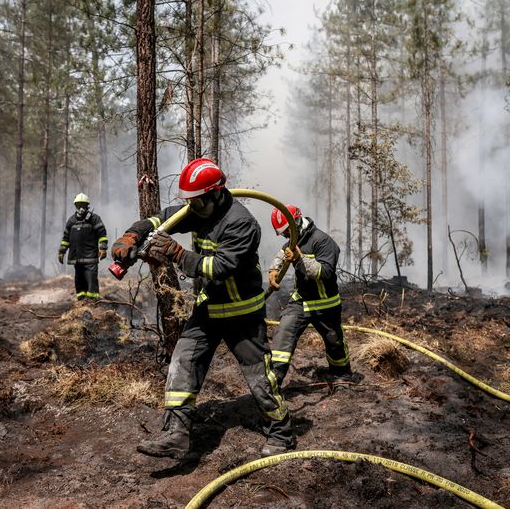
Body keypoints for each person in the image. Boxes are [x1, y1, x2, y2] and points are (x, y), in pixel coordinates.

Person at [111, 158, 295, 459]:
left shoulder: (241, 223)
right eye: (190, 202)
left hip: (241, 313)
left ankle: (281, 432)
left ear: (216, 194)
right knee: (183, 362)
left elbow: (219, 268)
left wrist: (177, 253)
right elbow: (162, 219)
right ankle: (176, 434)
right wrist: (133, 234)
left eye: (196, 202)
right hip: (209, 308)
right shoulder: (199, 209)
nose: (191, 208)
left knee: (260, 377)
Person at [268, 204, 352, 389]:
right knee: (283, 334)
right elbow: (282, 254)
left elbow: (324, 272)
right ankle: (273, 383)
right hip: (301, 302)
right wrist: (274, 270)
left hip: (325, 303)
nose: (286, 236)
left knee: (334, 342)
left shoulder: (323, 242)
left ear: (297, 222)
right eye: (283, 234)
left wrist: (300, 259)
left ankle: (342, 376)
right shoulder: (293, 240)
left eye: (287, 232)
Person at [58, 193, 109, 301]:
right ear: (75, 205)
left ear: (87, 205)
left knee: (91, 278)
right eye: (79, 204)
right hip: (76, 257)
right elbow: (66, 238)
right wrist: (62, 251)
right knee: (79, 279)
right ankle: (81, 300)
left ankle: (93, 301)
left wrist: (103, 248)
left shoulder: (94, 219)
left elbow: (102, 234)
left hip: (90, 256)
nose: (81, 207)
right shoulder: (71, 221)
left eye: (83, 204)